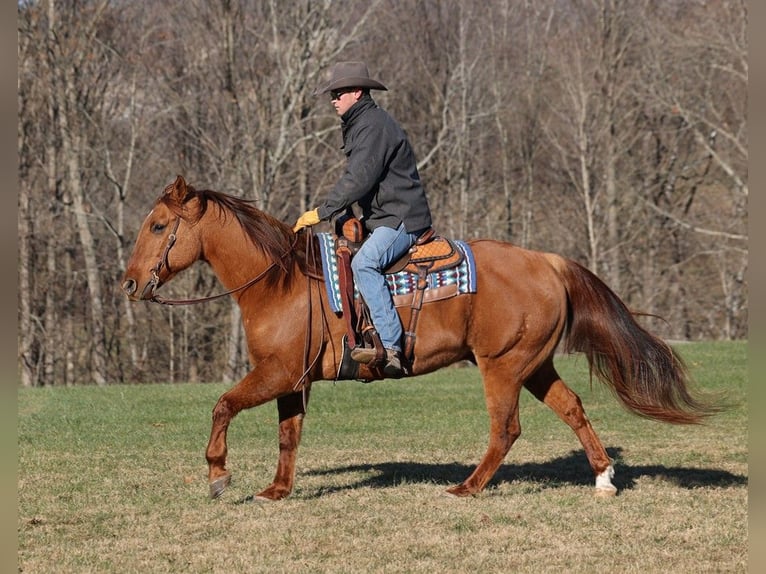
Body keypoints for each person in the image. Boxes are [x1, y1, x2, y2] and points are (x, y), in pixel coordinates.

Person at [293, 61, 433, 377]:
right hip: (383, 217)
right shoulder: (362, 123)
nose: (333, 99)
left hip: (401, 218)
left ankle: (391, 345)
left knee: (364, 263)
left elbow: (358, 179)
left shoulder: (373, 126)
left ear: (357, 92)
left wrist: (322, 212)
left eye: (338, 92)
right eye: (332, 93)